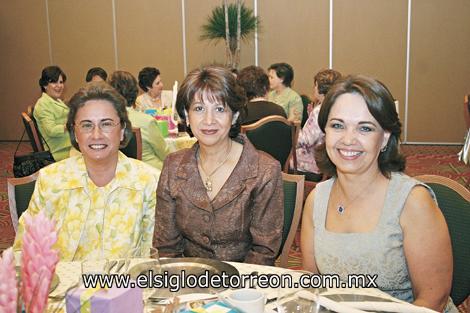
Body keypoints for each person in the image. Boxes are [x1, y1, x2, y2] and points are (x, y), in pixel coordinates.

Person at [300, 75, 457, 312]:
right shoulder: (316, 200)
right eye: (337, 125)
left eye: (365, 128)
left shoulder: (412, 202)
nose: (348, 139)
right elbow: (313, 283)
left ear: (384, 137)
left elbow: (433, 300)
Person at [14, 82, 160, 261]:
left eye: (106, 124)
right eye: (86, 125)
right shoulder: (51, 181)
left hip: (128, 285)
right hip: (64, 286)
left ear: (122, 131)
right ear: (75, 133)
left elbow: (153, 258)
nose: (96, 134)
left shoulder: (149, 182)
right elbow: (24, 250)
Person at [154, 65, 284, 265]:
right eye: (199, 109)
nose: (208, 120)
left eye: (220, 109)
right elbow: (166, 248)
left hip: (245, 287)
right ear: (186, 116)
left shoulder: (264, 170)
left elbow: (263, 253)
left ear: (235, 116)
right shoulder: (173, 166)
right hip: (188, 286)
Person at [109, 70, 169, 170]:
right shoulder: (146, 121)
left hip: (118, 171)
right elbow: (164, 153)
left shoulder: (106, 122)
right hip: (149, 171)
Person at [294, 69, 342, 181]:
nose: (314, 89)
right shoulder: (336, 107)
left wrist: (292, 130)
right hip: (331, 161)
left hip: (312, 164)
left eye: (315, 85)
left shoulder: (319, 111)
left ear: (320, 88)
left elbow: (304, 141)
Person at [33, 65, 72, 161]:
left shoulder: (56, 100)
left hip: (66, 145)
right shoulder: (43, 104)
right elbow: (52, 131)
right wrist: (71, 125)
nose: (59, 86)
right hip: (59, 150)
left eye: (61, 82)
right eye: (54, 82)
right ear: (45, 85)